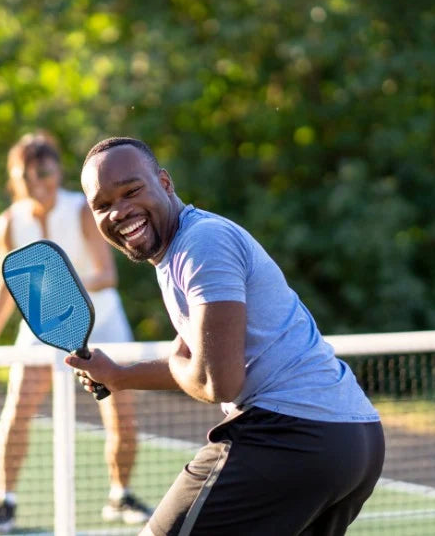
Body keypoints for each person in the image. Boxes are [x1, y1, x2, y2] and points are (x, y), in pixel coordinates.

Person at [68, 136, 385, 536]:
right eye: (102, 206)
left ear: (165, 183)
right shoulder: (181, 251)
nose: (118, 211)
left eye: (131, 191)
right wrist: (118, 375)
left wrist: (180, 361)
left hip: (292, 434)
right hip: (353, 439)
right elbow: (206, 363)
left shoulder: (201, 244)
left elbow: (218, 381)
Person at [0, 132, 152, 535]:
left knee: (120, 413)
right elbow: (4, 284)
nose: (38, 181)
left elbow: (107, 274)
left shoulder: (82, 210)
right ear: (16, 178)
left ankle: (120, 494)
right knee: (18, 409)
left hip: (101, 322)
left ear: (57, 171)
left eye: (45, 171)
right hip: (40, 330)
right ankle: (6, 502)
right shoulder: (8, 223)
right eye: (27, 174)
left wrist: (62, 288)